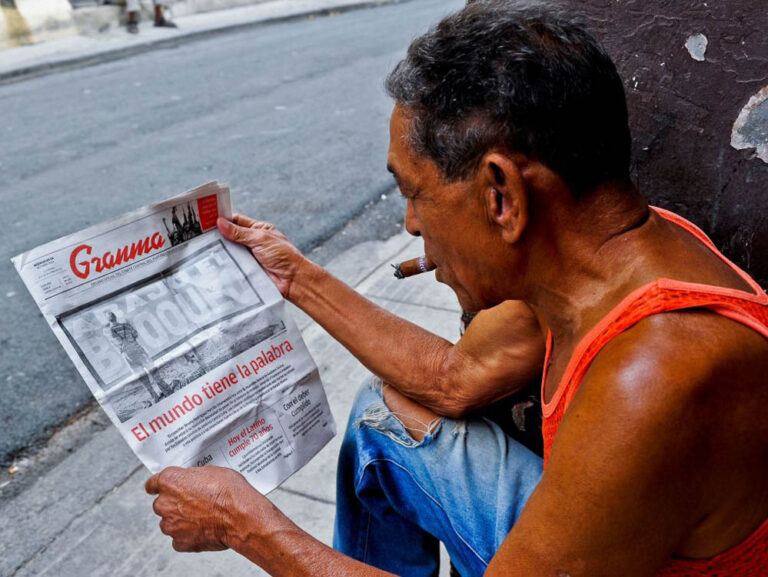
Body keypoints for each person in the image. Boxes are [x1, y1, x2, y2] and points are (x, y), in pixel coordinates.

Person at [145, 2, 768, 575]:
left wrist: (246, 525)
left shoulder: (656, 374)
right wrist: (295, 277)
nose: (411, 224)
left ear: (502, 195)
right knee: (381, 420)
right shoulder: (592, 262)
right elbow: (452, 379)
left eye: (415, 193)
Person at [106, 311, 173, 403]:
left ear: (108, 320)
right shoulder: (126, 325)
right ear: (115, 317)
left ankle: (154, 396)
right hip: (138, 349)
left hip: (127, 354)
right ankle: (167, 390)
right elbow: (135, 335)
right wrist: (130, 325)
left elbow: (117, 343)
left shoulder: (109, 332)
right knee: (153, 370)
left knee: (141, 376)